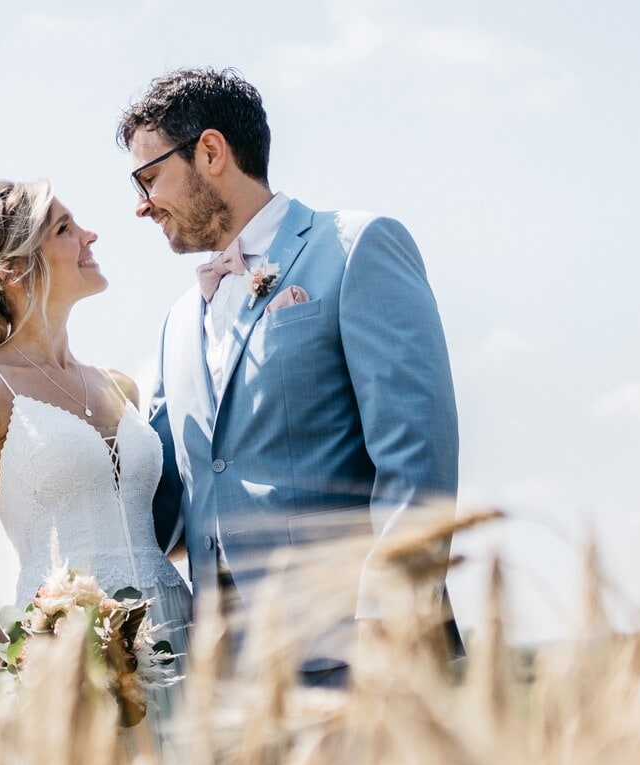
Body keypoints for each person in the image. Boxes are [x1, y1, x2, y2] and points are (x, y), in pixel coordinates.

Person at [121, 68, 462, 685]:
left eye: (148, 177)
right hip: (226, 681)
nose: (141, 204)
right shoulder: (177, 324)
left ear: (211, 152)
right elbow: (167, 499)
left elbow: (417, 454)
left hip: (357, 655)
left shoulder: (356, 247)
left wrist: (388, 619)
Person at [0, 178, 193, 703]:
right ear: (13, 269)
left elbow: (163, 526)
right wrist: (17, 673)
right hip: (66, 660)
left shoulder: (120, 387)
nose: (90, 235)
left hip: (177, 636)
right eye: (65, 228)